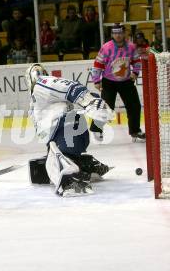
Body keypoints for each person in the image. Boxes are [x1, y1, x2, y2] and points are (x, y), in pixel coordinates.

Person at [24, 63, 113, 197]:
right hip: (68, 133)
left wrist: (88, 100)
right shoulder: (36, 100)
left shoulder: (41, 84)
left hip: (67, 130)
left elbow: (69, 87)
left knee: (53, 162)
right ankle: (81, 163)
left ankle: (70, 174)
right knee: (52, 155)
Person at [89, 23, 145, 142]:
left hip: (126, 82)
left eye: (120, 33)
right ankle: (96, 129)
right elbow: (98, 64)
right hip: (109, 82)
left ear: (124, 33)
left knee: (134, 106)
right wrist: (96, 80)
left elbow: (136, 61)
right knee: (106, 107)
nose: (118, 35)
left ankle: (135, 131)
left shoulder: (131, 47)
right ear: (112, 34)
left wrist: (135, 73)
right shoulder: (106, 47)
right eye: (115, 33)